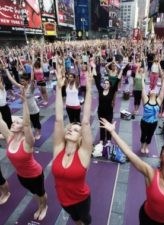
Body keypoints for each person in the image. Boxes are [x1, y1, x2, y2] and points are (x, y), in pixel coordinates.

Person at [52, 58, 93, 225]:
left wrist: (89, 89)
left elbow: (85, 122)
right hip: (62, 200)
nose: (70, 129)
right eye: (70, 128)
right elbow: (59, 120)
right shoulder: (58, 148)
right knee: (75, 220)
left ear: (81, 138)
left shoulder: (83, 153)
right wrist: (58, 89)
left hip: (81, 200)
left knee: (85, 220)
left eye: (76, 130)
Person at [0, 88, 48, 221]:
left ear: (22, 128)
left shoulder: (28, 142)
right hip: (21, 176)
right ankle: (39, 205)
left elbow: (27, 124)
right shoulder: (9, 137)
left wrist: (25, 103)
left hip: (35, 175)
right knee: (33, 193)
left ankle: (43, 207)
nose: (13, 123)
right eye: (14, 122)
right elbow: (1, 122)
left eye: (17, 122)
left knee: (41, 193)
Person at [94, 62, 122, 150]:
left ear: (110, 85)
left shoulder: (112, 91)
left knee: (109, 125)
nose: (105, 84)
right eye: (104, 83)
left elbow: (117, 79)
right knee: (102, 125)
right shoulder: (100, 90)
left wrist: (122, 70)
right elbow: (96, 79)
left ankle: (109, 140)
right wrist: (94, 67)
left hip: (109, 112)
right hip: (101, 111)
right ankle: (102, 140)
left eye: (107, 83)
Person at [140, 71, 164, 154]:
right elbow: (143, 88)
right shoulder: (145, 100)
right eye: (151, 90)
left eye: (154, 90)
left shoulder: (159, 100)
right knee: (143, 135)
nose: (153, 90)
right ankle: (142, 146)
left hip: (153, 123)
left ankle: (146, 146)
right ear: (149, 93)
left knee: (150, 135)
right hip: (144, 122)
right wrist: (143, 78)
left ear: (156, 93)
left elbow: (162, 89)